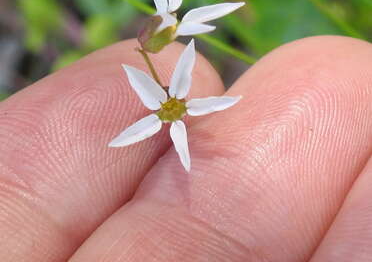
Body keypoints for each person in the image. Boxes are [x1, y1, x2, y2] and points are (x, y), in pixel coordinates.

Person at [0, 35, 371, 261]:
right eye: (168, 107)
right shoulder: (163, 112)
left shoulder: (173, 107)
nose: (171, 108)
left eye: (171, 107)